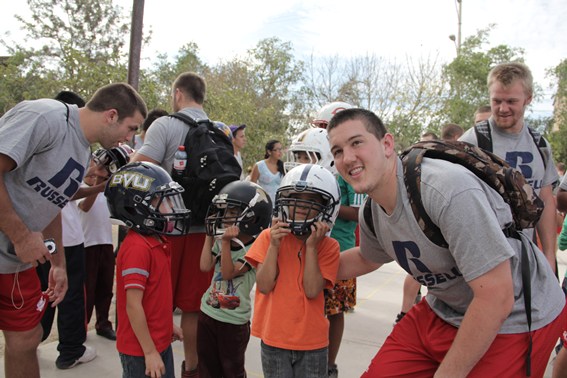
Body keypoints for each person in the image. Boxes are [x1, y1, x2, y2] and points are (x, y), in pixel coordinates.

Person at [327, 107, 565, 377]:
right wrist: (298, 265)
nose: (347, 157)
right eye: (337, 151)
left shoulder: (445, 190)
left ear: (387, 144)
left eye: (357, 142)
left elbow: (497, 297)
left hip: (518, 314)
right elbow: (366, 257)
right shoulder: (373, 209)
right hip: (446, 307)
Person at [0, 83, 146, 378]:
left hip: (15, 263)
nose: (128, 138)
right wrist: (20, 235)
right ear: (111, 115)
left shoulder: (82, 151)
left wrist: (58, 263)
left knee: (27, 337)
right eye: (130, 128)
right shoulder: (45, 117)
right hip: (13, 246)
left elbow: (53, 200)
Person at [132, 71, 214, 377]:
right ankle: (191, 368)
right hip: (202, 234)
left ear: (178, 94)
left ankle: (154, 365)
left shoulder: (164, 125)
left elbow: (138, 170)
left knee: (157, 304)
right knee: (193, 307)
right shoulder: (218, 131)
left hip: (166, 230)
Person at [460, 62, 559, 274]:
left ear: (528, 98)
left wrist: (549, 256)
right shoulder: (473, 141)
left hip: (525, 258)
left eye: (511, 101)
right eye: (496, 101)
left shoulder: (540, 145)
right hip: (483, 261)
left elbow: (545, 201)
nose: (503, 108)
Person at [245, 164, 341, 378]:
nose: (300, 205)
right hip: (274, 340)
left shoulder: (328, 246)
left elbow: (311, 290)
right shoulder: (269, 237)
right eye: (295, 197)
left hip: (313, 343)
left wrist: (311, 247)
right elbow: (264, 285)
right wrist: (274, 246)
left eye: (311, 200)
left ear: (326, 206)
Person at [105, 161, 187, 378]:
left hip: (158, 341)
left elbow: (155, 297)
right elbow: (133, 305)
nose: (171, 209)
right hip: (141, 349)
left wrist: (167, 325)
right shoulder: (137, 249)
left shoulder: (157, 241)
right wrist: (149, 351)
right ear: (137, 207)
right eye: (163, 202)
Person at [198, 181, 272, 377]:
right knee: (206, 368)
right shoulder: (222, 240)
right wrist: (209, 236)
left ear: (252, 216)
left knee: (232, 371)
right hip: (208, 313)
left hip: (233, 322)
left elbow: (229, 272)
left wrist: (225, 242)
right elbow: (205, 266)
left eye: (232, 212)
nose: (224, 218)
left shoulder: (254, 248)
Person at [79, 145, 133, 342]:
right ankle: (81, 327)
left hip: (105, 242)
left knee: (105, 288)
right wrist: (98, 182)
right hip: (86, 244)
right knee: (87, 289)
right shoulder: (80, 187)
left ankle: (103, 323)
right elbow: (84, 207)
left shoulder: (109, 190)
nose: (100, 168)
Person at [250, 139, 285, 204]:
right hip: (263, 203)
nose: (280, 152)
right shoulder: (259, 166)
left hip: (279, 204)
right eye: (276, 149)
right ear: (269, 152)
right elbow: (252, 186)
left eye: (281, 149)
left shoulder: (284, 166)